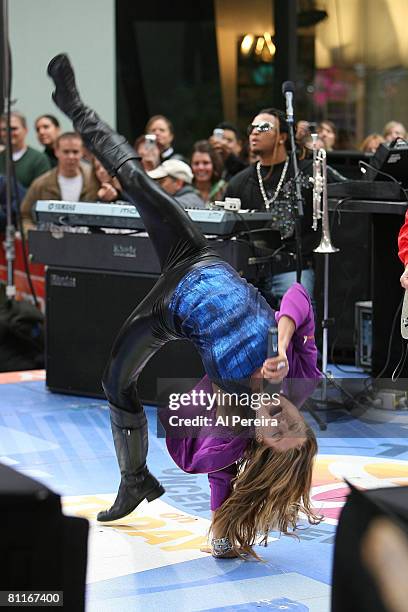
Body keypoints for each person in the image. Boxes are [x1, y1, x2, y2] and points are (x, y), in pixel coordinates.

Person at [47, 53, 321, 559]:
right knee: (137, 183)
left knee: (115, 383)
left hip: (169, 309)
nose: (279, 418)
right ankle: (76, 106)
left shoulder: (231, 438)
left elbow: (219, 503)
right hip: (198, 255)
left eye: (274, 431)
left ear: (261, 443)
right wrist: (283, 336)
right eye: (292, 423)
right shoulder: (302, 375)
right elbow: (301, 296)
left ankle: (133, 479)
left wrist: (224, 534)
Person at [225, 108, 317, 307]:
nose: (254, 132)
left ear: (282, 137)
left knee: (295, 311)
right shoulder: (239, 183)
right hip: (249, 271)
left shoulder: (309, 171)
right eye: (252, 128)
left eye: (263, 127)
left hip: (292, 268)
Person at [20, 131, 95, 233]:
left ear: (82, 152)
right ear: (56, 152)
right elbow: (25, 215)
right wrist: (34, 235)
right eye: (66, 152)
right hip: (52, 242)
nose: (71, 157)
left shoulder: (94, 179)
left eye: (75, 152)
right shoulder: (42, 183)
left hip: (88, 241)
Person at [0, 112, 51, 189]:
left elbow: (42, 192)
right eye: (4, 129)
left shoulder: (39, 159)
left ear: (25, 130)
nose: (8, 133)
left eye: (13, 129)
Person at [191, 140, 226, 205]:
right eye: (196, 163)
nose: (200, 167)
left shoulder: (224, 190)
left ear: (214, 165)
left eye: (205, 163)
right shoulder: (185, 191)